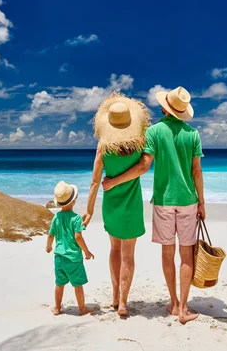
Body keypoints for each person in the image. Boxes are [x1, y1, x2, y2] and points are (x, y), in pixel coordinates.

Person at [102, 86, 205, 325]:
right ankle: (184, 308)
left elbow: (143, 166)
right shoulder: (193, 134)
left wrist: (114, 181)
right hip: (188, 201)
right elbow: (196, 170)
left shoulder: (154, 132)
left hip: (163, 201)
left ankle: (172, 302)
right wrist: (201, 201)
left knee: (167, 253)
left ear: (164, 107)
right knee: (186, 254)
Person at [83, 93, 150, 317]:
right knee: (128, 254)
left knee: (114, 249)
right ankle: (122, 302)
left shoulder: (103, 148)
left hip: (110, 205)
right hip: (132, 206)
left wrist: (89, 210)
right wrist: (118, 181)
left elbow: (94, 181)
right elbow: (142, 169)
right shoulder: (140, 145)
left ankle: (114, 296)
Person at [46, 181, 95, 316]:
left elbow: (51, 234)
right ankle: (82, 308)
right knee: (77, 284)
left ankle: (56, 308)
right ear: (73, 201)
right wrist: (87, 251)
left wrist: (48, 246)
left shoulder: (57, 217)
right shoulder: (76, 218)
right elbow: (78, 237)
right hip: (73, 258)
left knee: (59, 283)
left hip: (59, 257)